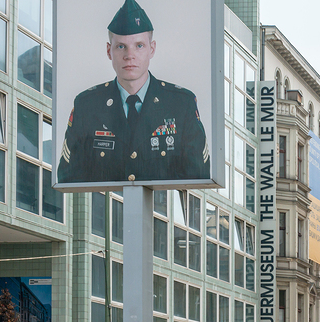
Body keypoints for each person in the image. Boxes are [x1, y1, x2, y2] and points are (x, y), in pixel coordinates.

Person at [58, 0, 210, 184]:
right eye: (121, 46)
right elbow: (69, 179)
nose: (130, 55)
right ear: (109, 51)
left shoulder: (181, 105)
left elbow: (198, 179)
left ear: (151, 49)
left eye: (139, 46)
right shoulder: (87, 106)